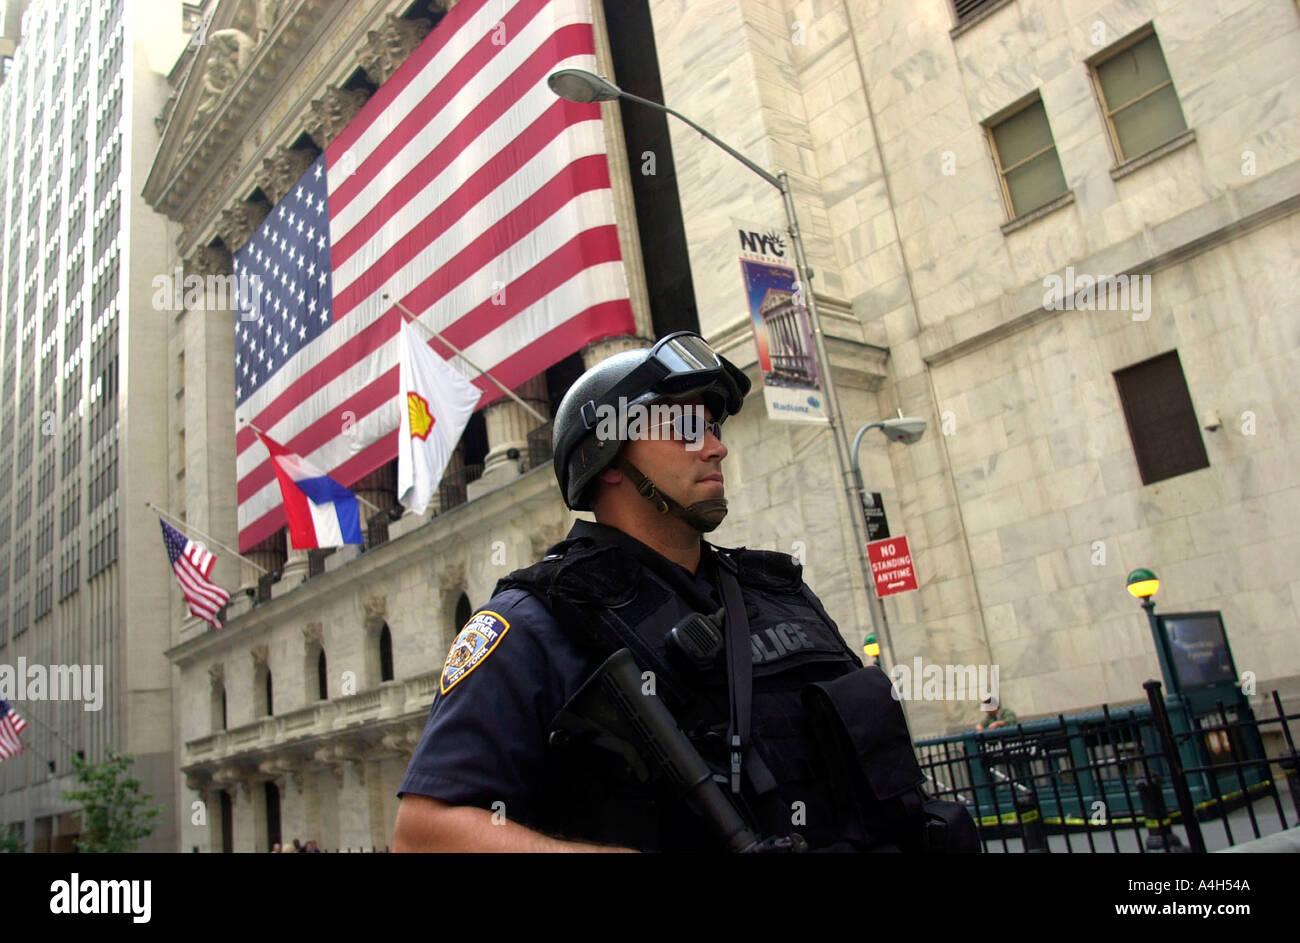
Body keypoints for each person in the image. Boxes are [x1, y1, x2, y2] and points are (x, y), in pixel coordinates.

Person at [393, 332, 974, 853]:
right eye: (686, 428)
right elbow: (424, 832)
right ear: (609, 456)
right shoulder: (534, 621)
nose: (716, 447)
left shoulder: (779, 593)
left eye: (714, 427)